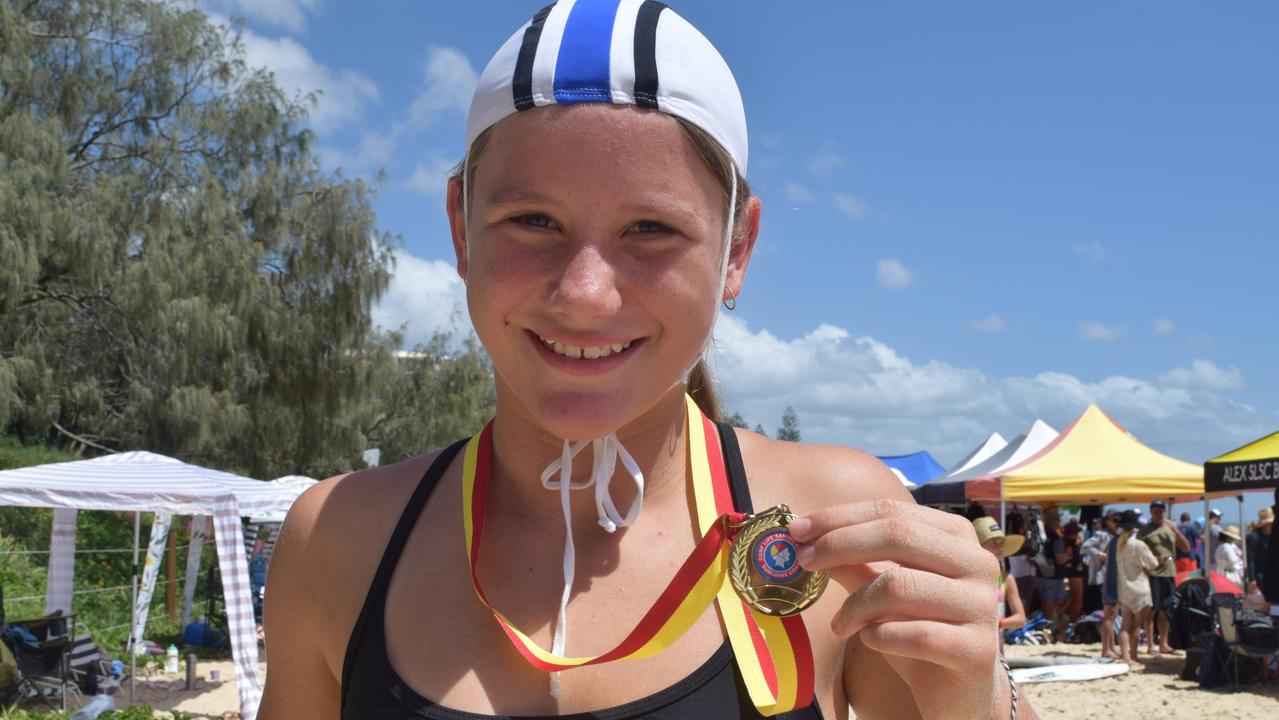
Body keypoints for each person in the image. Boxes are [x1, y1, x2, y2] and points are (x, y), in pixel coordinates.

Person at [257, 3, 1027, 719]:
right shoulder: (337, 539)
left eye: (650, 229)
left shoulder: (839, 522)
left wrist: (976, 697)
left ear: (736, 250)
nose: (585, 294)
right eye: (532, 221)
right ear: (461, 231)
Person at [1135, 499, 1188, 656]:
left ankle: (1164, 643)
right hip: (1153, 573)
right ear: (1151, 512)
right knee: (1151, 610)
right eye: (1156, 511)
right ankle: (1151, 644)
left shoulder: (1170, 527)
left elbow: (1186, 547)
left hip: (1169, 572)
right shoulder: (1145, 530)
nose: (1159, 514)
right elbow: (1136, 553)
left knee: (1166, 610)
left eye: (1161, 511)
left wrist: (1176, 530)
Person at [973, 517, 1028, 650]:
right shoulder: (969, 577)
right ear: (979, 546)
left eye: (1001, 542)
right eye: (993, 542)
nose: (999, 547)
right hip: (972, 645)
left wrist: (998, 623)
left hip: (996, 647)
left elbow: (1021, 619)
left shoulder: (1006, 579)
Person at [1115, 511, 1161, 668]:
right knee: (1136, 625)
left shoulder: (1119, 544)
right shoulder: (1139, 544)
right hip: (1140, 588)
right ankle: (1133, 656)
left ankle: (1125, 656)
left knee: (1125, 625)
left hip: (1124, 588)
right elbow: (1153, 564)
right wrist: (1163, 558)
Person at [1081, 510, 1118, 655]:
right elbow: (1085, 546)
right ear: (1107, 521)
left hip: (1111, 577)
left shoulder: (1116, 535)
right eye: (1114, 520)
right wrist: (1100, 555)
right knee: (1106, 614)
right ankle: (1106, 648)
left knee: (1113, 614)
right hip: (1102, 577)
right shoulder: (1101, 534)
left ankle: (1111, 647)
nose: (1117, 523)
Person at [1035, 508, 1070, 641]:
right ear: (1051, 521)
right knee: (1052, 605)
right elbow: (1060, 559)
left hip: (1043, 573)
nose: (1060, 521)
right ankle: (1050, 633)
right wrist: (1068, 554)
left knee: (1046, 604)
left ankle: (1048, 631)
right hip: (1054, 575)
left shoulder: (1042, 535)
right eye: (1057, 519)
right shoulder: (1055, 538)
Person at [1061, 521, 1086, 623]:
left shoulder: (1068, 543)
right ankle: (1073, 621)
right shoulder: (1070, 545)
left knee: (1074, 597)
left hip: (1074, 571)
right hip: (1074, 572)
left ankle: (1072, 620)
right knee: (1077, 597)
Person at [1246, 507, 1272, 588]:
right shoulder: (1254, 537)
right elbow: (1250, 559)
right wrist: (1252, 579)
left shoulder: (1272, 536)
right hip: (1259, 577)